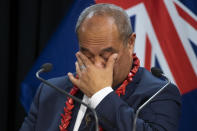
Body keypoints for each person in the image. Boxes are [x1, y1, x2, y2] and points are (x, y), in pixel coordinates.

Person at [20, 3, 181, 131]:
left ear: (130, 43)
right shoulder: (50, 91)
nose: (97, 64)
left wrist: (101, 95)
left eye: (106, 55)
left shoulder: (160, 94)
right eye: (88, 55)